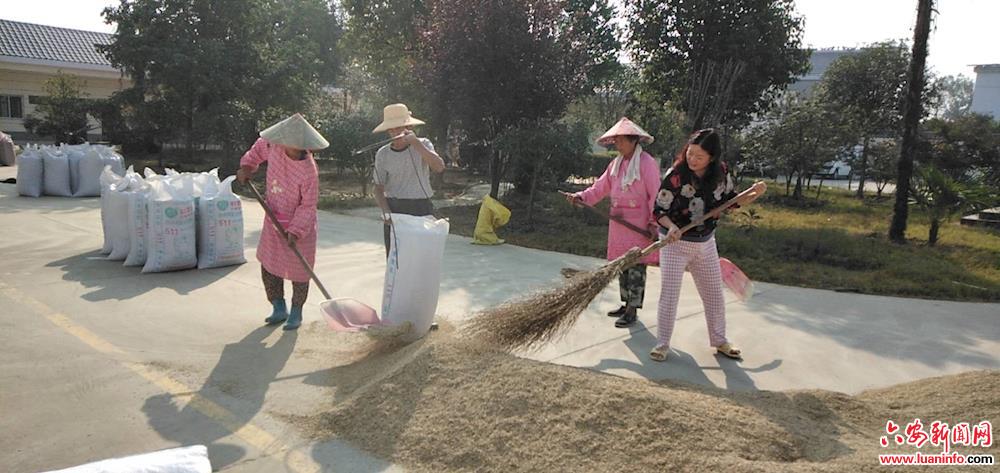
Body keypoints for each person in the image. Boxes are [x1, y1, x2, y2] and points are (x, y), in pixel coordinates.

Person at [650, 128, 766, 361]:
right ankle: (662, 343)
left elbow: (731, 202)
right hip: (674, 242)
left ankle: (720, 340)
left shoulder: (721, 172)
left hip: (705, 243)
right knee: (670, 295)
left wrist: (754, 193)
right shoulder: (676, 174)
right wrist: (671, 227)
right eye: (690, 154)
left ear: (712, 158)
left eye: (699, 156)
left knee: (714, 294)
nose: (692, 160)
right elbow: (659, 211)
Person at [565, 117, 661, 328]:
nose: (616, 144)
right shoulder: (615, 165)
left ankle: (632, 310)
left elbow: (656, 194)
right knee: (622, 265)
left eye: (620, 140)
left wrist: (655, 222)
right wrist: (581, 196)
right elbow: (599, 188)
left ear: (633, 140)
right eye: (615, 141)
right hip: (619, 224)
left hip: (639, 226)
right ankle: (625, 302)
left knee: (636, 266)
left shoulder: (647, 164)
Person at [236, 113, 328, 331]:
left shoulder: (309, 171)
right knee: (269, 266)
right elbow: (256, 152)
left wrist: (295, 231)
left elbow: (308, 206)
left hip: (300, 227)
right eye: (291, 143)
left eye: (299, 145)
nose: (294, 148)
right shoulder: (272, 146)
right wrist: (247, 167)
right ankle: (279, 307)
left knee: (300, 271)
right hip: (273, 218)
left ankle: (296, 312)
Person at [371, 103, 446, 256]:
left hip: (421, 207)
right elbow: (378, 188)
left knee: (422, 257)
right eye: (392, 129)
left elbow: (439, 167)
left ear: (409, 127)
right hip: (395, 209)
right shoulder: (383, 154)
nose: (395, 132)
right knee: (396, 260)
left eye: (399, 127)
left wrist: (415, 143)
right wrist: (386, 212)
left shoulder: (423, 144)